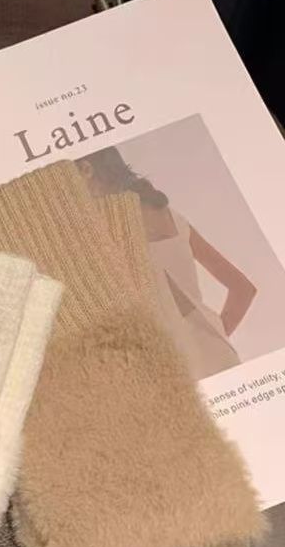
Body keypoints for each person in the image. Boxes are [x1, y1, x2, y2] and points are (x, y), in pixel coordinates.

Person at [76, 147, 257, 380]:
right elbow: (243, 289)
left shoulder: (109, 229)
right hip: (217, 355)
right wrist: (216, 335)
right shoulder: (171, 217)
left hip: (172, 370)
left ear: (86, 170)